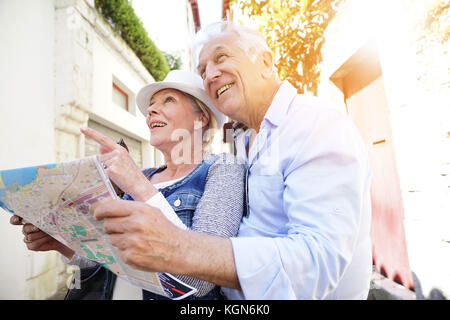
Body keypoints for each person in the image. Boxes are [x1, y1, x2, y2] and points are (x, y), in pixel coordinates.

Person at [88, 21, 373, 300]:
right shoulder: (246, 143)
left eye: (221, 57)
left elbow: (316, 263)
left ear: (265, 62)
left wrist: (176, 245)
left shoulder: (314, 123)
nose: (210, 75)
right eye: (202, 70)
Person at [10, 70, 246, 300]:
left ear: (200, 118)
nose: (151, 110)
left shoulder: (224, 167)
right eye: (152, 104)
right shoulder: (143, 175)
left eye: (169, 100)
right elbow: (109, 259)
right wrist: (62, 243)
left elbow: (204, 276)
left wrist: (136, 184)